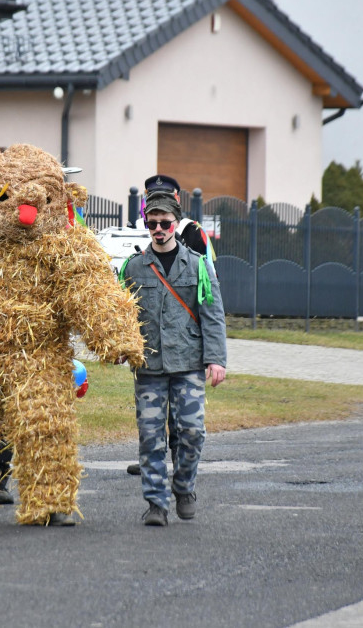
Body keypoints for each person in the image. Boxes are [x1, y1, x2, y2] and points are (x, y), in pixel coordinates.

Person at [120, 189, 227, 526]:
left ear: (176, 224)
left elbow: (212, 315)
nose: (158, 229)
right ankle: (156, 504)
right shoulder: (133, 268)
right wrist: (121, 346)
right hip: (150, 366)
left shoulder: (197, 266)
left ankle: (183, 487)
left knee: (192, 432)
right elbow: (123, 315)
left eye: (165, 222)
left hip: (188, 363)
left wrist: (216, 359)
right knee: (151, 437)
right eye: (152, 223)